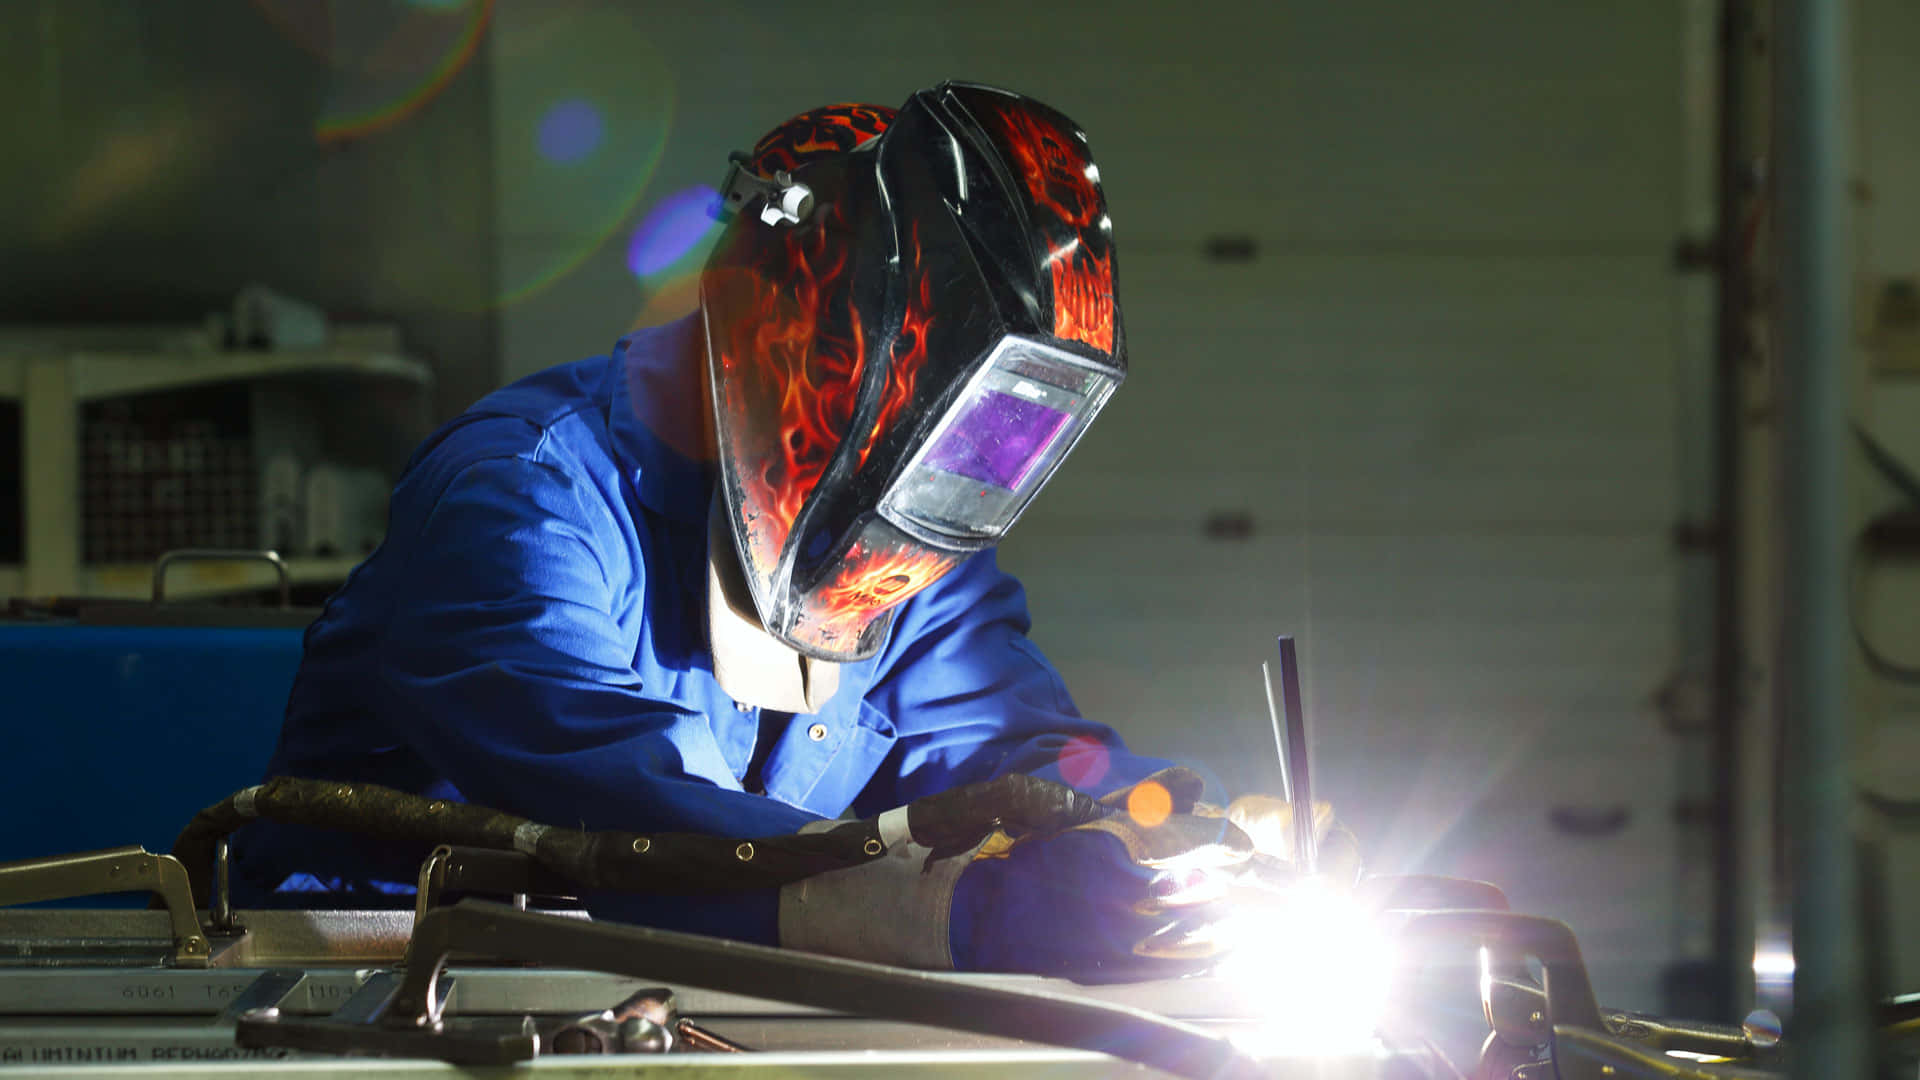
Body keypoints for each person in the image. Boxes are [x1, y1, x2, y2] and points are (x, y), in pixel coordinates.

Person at [232, 81, 1350, 976]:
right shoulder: (523, 498)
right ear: (795, 334)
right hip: (373, 998)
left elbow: (1005, 752)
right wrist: (954, 917)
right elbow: (623, 831)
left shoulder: (897, 543)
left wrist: (1163, 821)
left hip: (677, 1002)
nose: (923, 509)